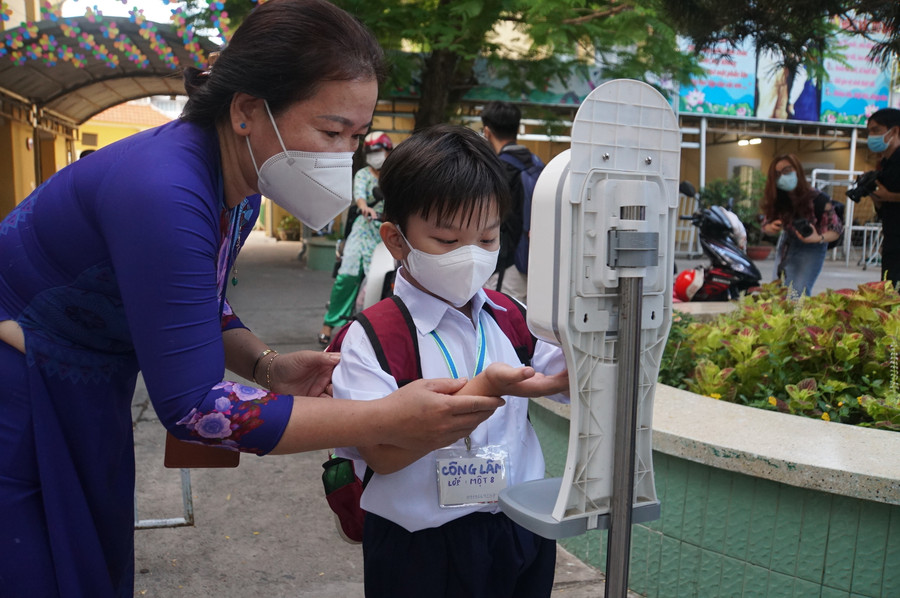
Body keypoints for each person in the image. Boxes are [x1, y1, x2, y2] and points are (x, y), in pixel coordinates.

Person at [0, 2, 504, 596]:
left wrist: (267, 366)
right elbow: (196, 409)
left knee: (88, 557)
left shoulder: (238, 185)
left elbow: (196, 303)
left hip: (87, 382)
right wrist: (388, 416)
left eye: (355, 136)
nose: (344, 155)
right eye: (330, 131)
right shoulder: (163, 191)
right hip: (23, 380)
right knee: (36, 563)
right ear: (246, 111)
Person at [332, 125, 569, 598]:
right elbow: (382, 453)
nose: (470, 257)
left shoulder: (514, 318)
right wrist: (486, 389)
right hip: (419, 548)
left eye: (487, 238)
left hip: (518, 531)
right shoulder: (372, 337)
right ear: (396, 240)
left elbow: (577, 377)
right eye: (446, 240)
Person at [318, 131, 392, 346]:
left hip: (384, 235)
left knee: (381, 283)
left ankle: (373, 329)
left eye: (378, 151)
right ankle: (329, 324)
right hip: (362, 231)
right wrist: (365, 207)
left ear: (388, 151)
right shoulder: (362, 175)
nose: (375, 156)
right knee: (346, 278)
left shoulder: (394, 176)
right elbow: (359, 196)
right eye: (371, 152)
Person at [481, 101, 544, 303]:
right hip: (536, 263)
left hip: (505, 266)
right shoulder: (538, 164)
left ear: (487, 131)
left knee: (502, 317)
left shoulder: (496, 169)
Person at [760, 153, 843, 296]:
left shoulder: (819, 199)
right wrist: (770, 228)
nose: (783, 176)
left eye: (787, 170)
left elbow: (836, 229)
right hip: (787, 244)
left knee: (797, 294)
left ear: (797, 170)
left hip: (812, 248)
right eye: (777, 174)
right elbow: (766, 224)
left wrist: (818, 238)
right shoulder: (778, 198)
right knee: (777, 292)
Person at [866, 107, 900, 287]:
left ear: (894, 131)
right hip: (892, 239)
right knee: (889, 292)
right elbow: (887, 208)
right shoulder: (885, 164)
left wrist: (889, 196)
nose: (871, 136)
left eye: (876, 130)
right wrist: (878, 200)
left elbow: (891, 198)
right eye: (869, 131)